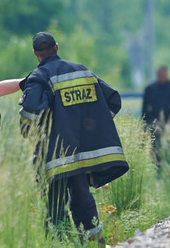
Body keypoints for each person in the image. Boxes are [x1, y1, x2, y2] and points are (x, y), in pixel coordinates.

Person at [19, 32, 127, 240]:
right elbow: (113, 101)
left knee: (54, 203)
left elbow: (30, 114)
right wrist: (94, 130)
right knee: (82, 195)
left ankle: (61, 242)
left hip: (56, 156)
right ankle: (94, 242)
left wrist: (31, 134)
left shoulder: (39, 77)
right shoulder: (82, 71)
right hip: (84, 152)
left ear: (35, 54)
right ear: (56, 47)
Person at [141, 66, 170, 152]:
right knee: (155, 144)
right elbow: (145, 109)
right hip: (155, 121)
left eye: (163, 74)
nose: (162, 77)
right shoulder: (150, 89)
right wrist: (144, 124)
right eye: (160, 75)